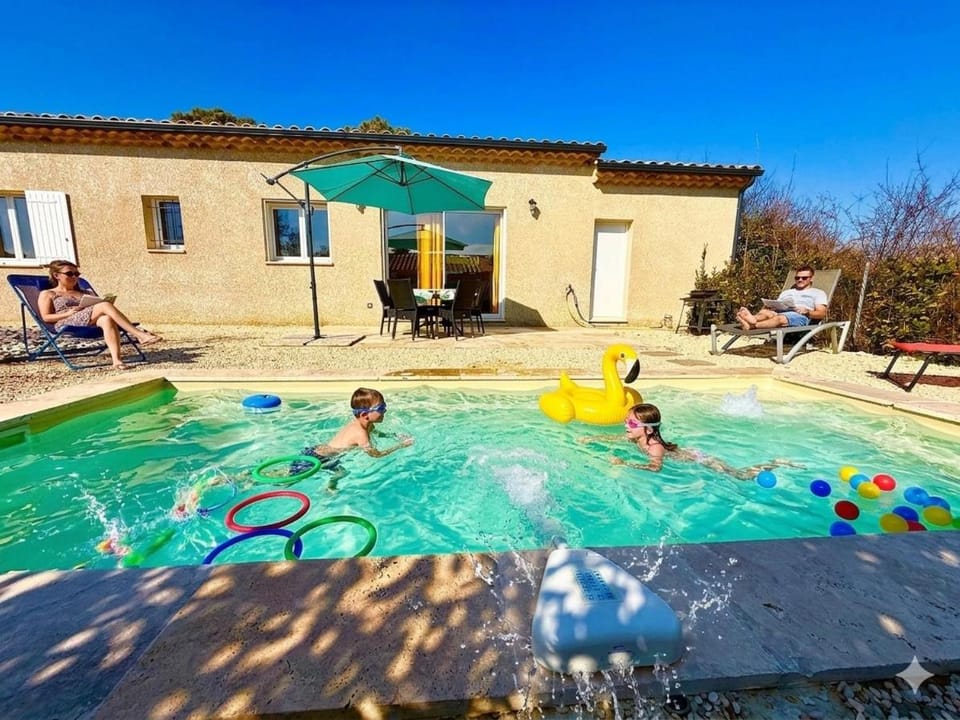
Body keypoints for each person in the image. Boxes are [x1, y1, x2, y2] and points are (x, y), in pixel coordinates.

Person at [577, 402, 801, 480]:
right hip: (689, 454)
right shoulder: (639, 438)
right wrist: (593, 438)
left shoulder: (654, 447)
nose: (627, 426)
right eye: (627, 421)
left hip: (700, 459)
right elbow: (615, 437)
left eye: (632, 424)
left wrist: (625, 464)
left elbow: (655, 468)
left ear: (647, 429)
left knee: (741, 476)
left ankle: (776, 462)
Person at [37, 260, 161, 369]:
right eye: (70, 274)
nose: (74, 277)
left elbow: (95, 307)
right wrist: (67, 313)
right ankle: (139, 335)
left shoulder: (85, 291)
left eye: (77, 274)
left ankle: (117, 361)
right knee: (104, 306)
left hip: (89, 320)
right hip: (66, 322)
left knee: (106, 318)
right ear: (56, 275)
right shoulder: (48, 293)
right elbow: (46, 317)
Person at [735, 265, 828, 332]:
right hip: (780, 311)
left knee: (780, 318)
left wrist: (807, 311)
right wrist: (769, 306)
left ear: (811, 278)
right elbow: (777, 304)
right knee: (765, 312)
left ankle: (752, 326)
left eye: (804, 278)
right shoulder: (787, 292)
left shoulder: (818, 293)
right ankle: (752, 319)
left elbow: (822, 313)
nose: (800, 280)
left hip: (800, 316)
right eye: (797, 278)